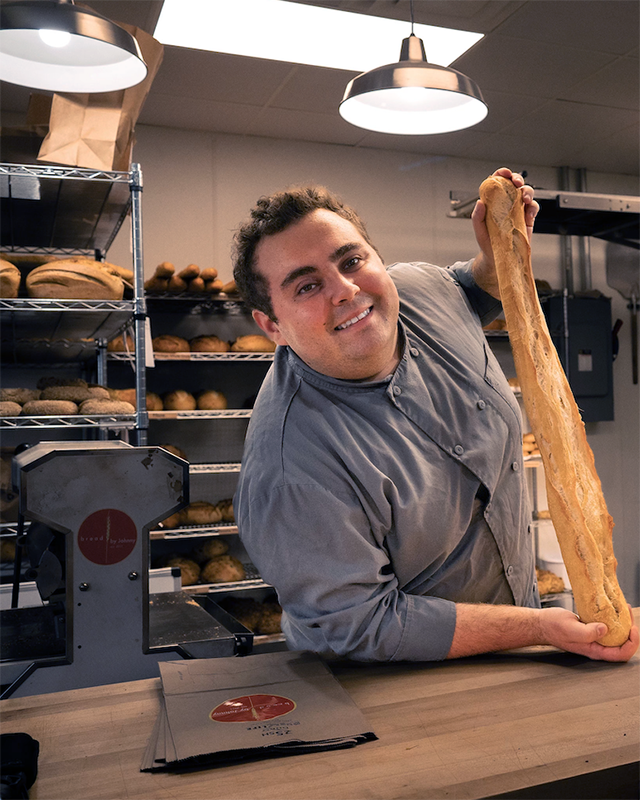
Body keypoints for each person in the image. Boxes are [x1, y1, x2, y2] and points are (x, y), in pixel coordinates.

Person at [232, 167, 638, 663]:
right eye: (306, 287)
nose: (345, 290)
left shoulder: (419, 290)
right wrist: (537, 627)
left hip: (522, 649)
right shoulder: (290, 464)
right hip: (393, 686)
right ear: (271, 325)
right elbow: (361, 625)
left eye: (352, 260)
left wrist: (501, 253)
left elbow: (474, 289)